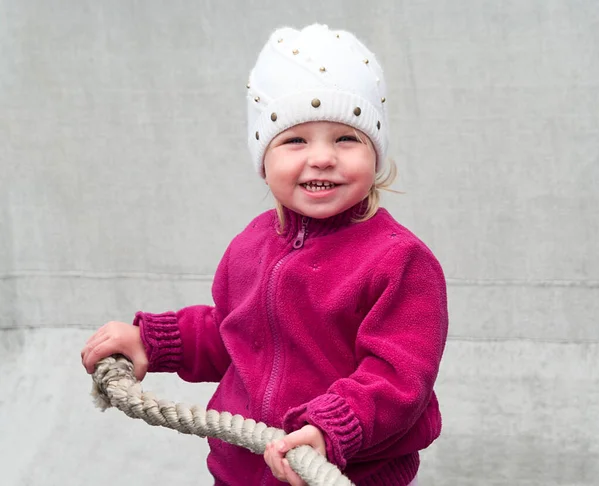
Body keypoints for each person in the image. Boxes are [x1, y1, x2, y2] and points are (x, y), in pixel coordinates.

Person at [81, 24, 448, 486]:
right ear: (264, 158)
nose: (322, 158)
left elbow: (398, 380)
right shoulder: (251, 245)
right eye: (296, 140)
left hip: (341, 470)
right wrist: (155, 341)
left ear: (375, 153)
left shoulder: (400, 262)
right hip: (241, 471)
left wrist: (329, 430)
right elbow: (234, 336)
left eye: (346, 138)